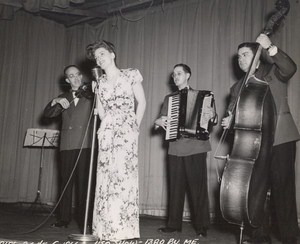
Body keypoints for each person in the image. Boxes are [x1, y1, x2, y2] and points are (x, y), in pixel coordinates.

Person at [221, 34, 300, 244]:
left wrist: (271, 47)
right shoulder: (236, 88)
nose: (240, 60)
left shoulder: (272, 72)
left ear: (257, 56)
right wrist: (229, 121)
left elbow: (290, 68)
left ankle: (290, 237)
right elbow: (234, 118)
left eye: (245, 55)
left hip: (280, 139)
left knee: (283, 190)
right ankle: (259, 236)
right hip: (253, 146)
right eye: (238, 57)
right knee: (254, 190)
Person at [86, 40, 146, 241]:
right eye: (96, 57)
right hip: (108, 130)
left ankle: (122, 229)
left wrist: (134, 126)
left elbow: (142, 102)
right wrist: (106, 127)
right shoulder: (99, 82)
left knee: (123, 176)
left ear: (112, 54)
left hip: (127, 129)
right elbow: (102, 111)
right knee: (106, 178)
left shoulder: (130, 74)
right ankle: (104, 228)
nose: (99, 59)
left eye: (102, 54)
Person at [154, 63, 217, 237]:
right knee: (175, 187)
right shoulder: (169, 99)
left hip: (196, 147)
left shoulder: (204, 96)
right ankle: (173, 224)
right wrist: (158, 122)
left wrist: (213, 116)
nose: (175, 77)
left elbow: (213, 120)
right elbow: (161, 120)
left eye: (179, 73)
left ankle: (202, 225)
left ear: (188, 75)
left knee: (198, 188)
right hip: (175, 147)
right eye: (173, 74)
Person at [44, 65, 94, 231]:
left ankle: (85, 219)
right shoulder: (63, 97)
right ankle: (63, 219)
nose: (76, 78)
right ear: (67, 80)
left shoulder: (92, 93)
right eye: (71, 76)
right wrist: (56, 101)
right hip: (66, 145)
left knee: (84, 184)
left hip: (85, 145)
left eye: (78, 74)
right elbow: (48, 114)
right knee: (65, 183)